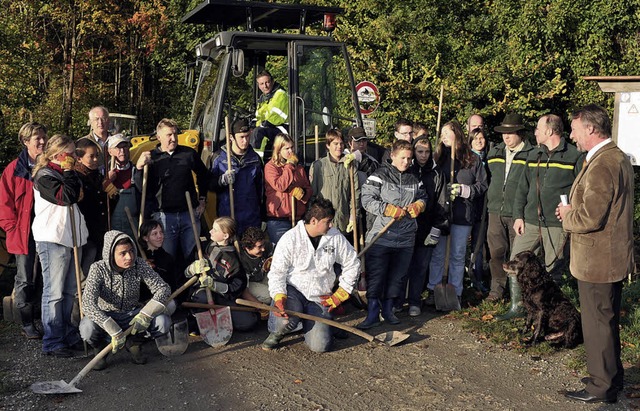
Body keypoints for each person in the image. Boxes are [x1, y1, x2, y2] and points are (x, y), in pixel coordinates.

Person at [557, 105, 633, 404]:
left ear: (590, 129)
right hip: (607, 256)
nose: (572, 134)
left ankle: (601, 386)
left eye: (574, 128)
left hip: (598, 259)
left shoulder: (603, 163)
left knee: (597, 322)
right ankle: (609, 379)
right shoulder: (615, 156)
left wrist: (567, 215)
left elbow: (590, 217)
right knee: (605, 320)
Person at [261, 198, 360, 352]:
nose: (331, 225)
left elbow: (352, 263)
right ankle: (277, 333)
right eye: (328, 221)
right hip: (294, 292)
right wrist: (279, 296)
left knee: (320, 346)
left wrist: (341, 293)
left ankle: (325, 325)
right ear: (314, 221)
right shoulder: (290, 238)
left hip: (320, 295)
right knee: (282, 322)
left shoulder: (335, 237)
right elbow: (277, 271)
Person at [510, 114, 584, 291]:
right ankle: (518, 307)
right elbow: (522, 188)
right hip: (529, 221)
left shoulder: (575, 156)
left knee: (553, 269)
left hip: (557, 223)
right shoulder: (534, 155)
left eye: (538, 128)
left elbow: (583, 190)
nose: (535, 132)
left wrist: (573, 209)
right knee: (515, 263)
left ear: (549, 131)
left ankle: (550, 310)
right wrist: (518, 216)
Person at [358, 139, 427, 328]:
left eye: (409, 158)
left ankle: (388, 310)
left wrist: (419, 205)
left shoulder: (414, 178)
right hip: (381, 236)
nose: (406, 162)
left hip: (405, 239)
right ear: (393, 156)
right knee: (377, 276)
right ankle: (372, 313)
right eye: (403, 157)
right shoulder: (379, 175)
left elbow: (423, 196)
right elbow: (366, 199)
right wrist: (387, 209)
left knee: (397, 278)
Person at [80, 230, 171, 370]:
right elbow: (87, 304)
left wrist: (146, 313)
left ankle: (134, 342)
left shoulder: (138, 265)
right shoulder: (98, 269)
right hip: (107, 316)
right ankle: (101, 348)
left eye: (131, 251)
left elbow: (163, 288)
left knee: (162, 322)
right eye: (122, 253)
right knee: (87, 328)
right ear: (111, 254)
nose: (129, 256)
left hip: (133, 315)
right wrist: (111, 327)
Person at [32, 134, 88, 357]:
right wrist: (68, 172)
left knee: (69, 291)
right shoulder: (44, 175)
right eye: (71, 153)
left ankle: (68, 333)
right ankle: (53, 340)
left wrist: (71, 172)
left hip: (73, 236)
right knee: (54, 292)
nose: (75, 157)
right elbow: (67, 196)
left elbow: (79, 194)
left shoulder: (68, 172)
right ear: (58, 154)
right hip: (53, 237)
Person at [426, 121, 487, 307]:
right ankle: (433, 289)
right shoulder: (439, 158)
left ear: (457, 134)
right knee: (438, 254)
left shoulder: (472, 160)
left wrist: (463, 190)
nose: (443, 137)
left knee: (458, 254)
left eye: (447, 133)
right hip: (443, 215)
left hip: (463, 214)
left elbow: (482, 185)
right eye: (442, 133)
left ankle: (456, 291)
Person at [135, 118, 210, 260]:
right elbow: (141, 186)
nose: (173, 138)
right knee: (168, 256)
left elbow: (203, 175)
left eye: (175, 134)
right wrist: (139, 168)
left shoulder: (188, 154)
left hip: (188, 213)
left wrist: (202, 199)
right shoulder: (152, 158)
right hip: (164, 216)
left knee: (191, 254)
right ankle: (170, 282)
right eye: (169, 135)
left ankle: (192, 281)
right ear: (159, 137)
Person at [0, 122, 48, 339]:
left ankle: (42, 317)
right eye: (36, 138)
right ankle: (26, 322)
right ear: (25, 141)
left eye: (43, 137)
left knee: (44, 276)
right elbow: (4, 203)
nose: (42, 141)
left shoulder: (49, 165)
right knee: (25, 277)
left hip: (47, 230)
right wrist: (11, 228)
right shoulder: (14, 170)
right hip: (23, 232)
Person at [485, 113, 533, 304]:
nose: (506, 136)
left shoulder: (531, 154)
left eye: (510, 132)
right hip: (495, 210)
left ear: (520, 133)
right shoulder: (494, 152)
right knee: (496, 252)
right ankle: (496, 291)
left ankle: (519, 296)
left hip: (518, 212)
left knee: (517, 256)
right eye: (504, 132)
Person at [186, 217, 258, 331]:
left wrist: (214, 285)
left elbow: (238, 286)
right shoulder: (205, 246)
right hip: (202, 292)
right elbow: (185, 273)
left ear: (225, 236)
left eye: (215, 230)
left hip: (223, 297)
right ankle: (199, 322)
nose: (210, 231)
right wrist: (192, 268)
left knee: (248, 322)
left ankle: (223, 320)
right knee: (201, 297)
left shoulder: (233, 260)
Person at [404, 135, 446, 316]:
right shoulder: (407, 171)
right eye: (420, 151)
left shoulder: (437, 174)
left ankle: (415, 300)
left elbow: (442, 203)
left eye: (427, 152)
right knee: (403, 266)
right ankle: (398, 300)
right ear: (414, 151)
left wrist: (438, 228)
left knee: (421, 267)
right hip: (406, 227)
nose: (423, 155)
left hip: (427, 227)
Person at [210, 118, 263, 237]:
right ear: (231, 137)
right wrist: (221, 180)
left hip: (251, 216)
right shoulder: (219, 158)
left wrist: (263, 216)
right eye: (241, 137)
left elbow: (261, 189)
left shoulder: (254, 159)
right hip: (228, 216)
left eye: (247, 136)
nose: (245, 140)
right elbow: (209, 185)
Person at [264, 133, 312, 244]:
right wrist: (289, 166)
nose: (291, 151)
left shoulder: (299, 168)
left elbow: (308, 188)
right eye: (287, 148)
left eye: (292, 147)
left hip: (298, 218)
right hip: (279, 220)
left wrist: (303, 193)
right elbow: (280, 186)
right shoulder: (270, 167)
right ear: (278, 149)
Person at [309, 129, 359, 235]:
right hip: (322, 222)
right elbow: (312, 195)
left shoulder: (350, 165)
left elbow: (355, 194)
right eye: (335, 144)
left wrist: (353, 217)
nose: (339, 147)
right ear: (328, 145)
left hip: (342, 221)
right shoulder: (318, 166)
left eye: (341, 143)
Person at [75, 138, 109, 279]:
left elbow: (104, 204)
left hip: (99, 230)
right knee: (86, 266)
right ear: (79, 158)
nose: (95, 159)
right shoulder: (77, 178)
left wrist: (111, 194)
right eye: (91, 156)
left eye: (97, 155)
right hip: (85, 231)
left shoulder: (99, 176)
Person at [468, 127, 490, 292]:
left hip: (484, 207)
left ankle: (478, 277)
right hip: (468, 206)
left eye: (481, 138)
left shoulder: (491, 158)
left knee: (479, 244)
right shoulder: (466, 159)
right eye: (475, 138)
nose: (479, 141)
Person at [106, 134, 140, 240]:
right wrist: (107, 181)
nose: (122, 151)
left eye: (125, 146)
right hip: (112, 223)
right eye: (118, 148)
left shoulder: (137, 171)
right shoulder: (104, 172)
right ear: (110, 151)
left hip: (134, 223)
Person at [251, 70, 289, 159]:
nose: (265, 86)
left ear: (272, 81)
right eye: (261, 84)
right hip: (270, 127)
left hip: (282, 129)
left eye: (267, 82)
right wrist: (253, 124)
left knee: (258, 133)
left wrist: (259, 125)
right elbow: (260, 115)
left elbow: (274, 118)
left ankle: (257, 161)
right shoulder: (263, 98)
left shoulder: (280, 94)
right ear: (258, 85)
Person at [139, 220, 178, 297]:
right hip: (141, 302)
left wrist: (156, 270)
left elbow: (172, 285)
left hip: (163, 300)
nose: (160, 236)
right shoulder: (137, 257)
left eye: (161, 232)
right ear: (145, 238)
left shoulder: (167, 258)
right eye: (154, 234)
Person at [238, 227, 274, 305]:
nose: (263, 249)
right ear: (247, 247)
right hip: (250, 283)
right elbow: (245, 292)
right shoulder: (242, 262)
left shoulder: (266, 245)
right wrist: (260, 307)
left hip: (264, 276)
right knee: (269, 296)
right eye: (259, 247)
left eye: (263, 245)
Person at [79, 106, 111, 174]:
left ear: (108, 120)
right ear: (90, 122)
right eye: (96, 119)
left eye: (103, 118)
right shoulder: (82, 143)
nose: (100, 122)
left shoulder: (117, 141)